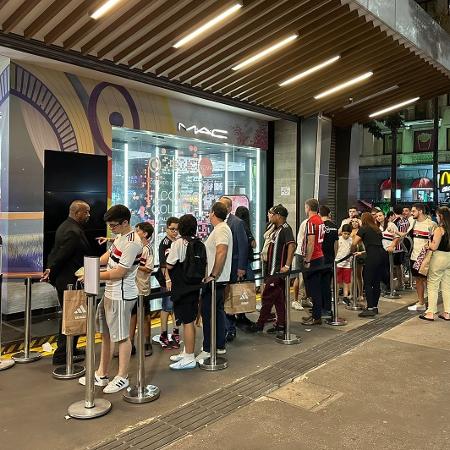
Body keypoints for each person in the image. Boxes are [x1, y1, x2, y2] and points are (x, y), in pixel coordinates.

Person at [79, 205, 143, 394]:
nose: (111, 228)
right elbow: (109, 256)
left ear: (125, 222)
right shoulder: (121, 236)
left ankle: (122, 376)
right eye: (109, 225)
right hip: (109, 293)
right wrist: (92, 266)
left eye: (114, 225)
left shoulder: (132, 242)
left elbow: (121, 272)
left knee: (122, 337)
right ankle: (102, 373)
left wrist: (94, 276)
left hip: (121, 295)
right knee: (106, 334)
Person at [42, 200, 91, 365]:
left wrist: (50, 270)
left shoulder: (66, 226)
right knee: (72, 317)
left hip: (66, 279)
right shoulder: (72, 231)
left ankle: (71, 349)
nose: (89, 215)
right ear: (77, 213)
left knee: (72, 316)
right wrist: (52, 272)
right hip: (70, 281)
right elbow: (61, 256)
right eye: (86, 212)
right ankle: (63, 354)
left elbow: (54, 252)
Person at [247, 205, 295, 333]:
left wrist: (287, 265)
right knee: (279, 298)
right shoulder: (275, 228)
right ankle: (281, 323)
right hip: (271, 269)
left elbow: (291, 245)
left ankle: (260, 324)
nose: (269, 216)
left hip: (278, 271)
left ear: (278, 215)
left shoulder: (285, 229)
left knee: (267, 296)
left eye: (272, 214)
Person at [166, 214, 206, 369]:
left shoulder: (178, 243)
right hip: (194, 286)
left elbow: (170, 265)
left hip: (182, 287)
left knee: (187, 322)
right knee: (189, 319)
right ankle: (186, 352)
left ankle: (189, 356)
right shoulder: (198, 243)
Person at [196, 202, 233, 363]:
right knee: (216, 313)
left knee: (208, 313)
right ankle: (218, 345)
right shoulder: (221, 229)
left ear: (213, 213)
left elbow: (221, 250)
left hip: (215, 281)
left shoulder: (222, 229)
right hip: (217, 280)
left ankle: (208, 348)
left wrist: (213, 274)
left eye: (209, 212)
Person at [218, 196, 249, 342]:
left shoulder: (237, 223)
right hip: (222, 268)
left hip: (233, 267)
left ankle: (230, 328)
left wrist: (241, 267)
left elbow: (243, 245)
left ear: (229, 208)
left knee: (230, 298)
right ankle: (224, 326)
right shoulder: (218, 223)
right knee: (223, 299)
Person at [419, 207, 450, 321]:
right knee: (447, 286)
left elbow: (434, 246)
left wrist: (428, 245)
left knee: (432, 285)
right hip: (449, 258)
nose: (436, 217)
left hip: (439, 258)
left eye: (437, 215)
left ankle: (430, 312)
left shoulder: (439, 229)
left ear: (441, 216)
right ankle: (448, 312)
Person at [352, 212, 385, 317]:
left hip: (371, 257)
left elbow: (354, 242)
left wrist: (352, 251)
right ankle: (374, 307)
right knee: (376, 282)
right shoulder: (377, 229)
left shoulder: (364, 228)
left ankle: (369, 307)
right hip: (381, 255)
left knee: (367, 281)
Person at [129, 222, 154, 357]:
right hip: (132, 287)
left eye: (138, 231)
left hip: (142, 288)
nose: (135, 233)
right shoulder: (134, 247)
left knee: (144, 317)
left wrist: (133, 265)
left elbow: (149, 268)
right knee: (132, 316)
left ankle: (146, 343)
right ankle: (130, 343)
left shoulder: (148, 249)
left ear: (145, 234)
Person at [156, 217, 180, 349]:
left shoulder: (177, 242)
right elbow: (163, 264)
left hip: (176, 279)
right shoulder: (164, 243)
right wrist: (167, 279)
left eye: (177, 229)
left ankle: (175, 332)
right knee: (166, 307)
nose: (175, 232)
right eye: (172, 229)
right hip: (166, 280)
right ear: (166, 229)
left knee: (175, 306)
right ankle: (163, 334)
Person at [407, 203, 437, 312]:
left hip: (426, 257)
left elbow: (436, 241)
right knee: (418, 280)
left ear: (420, 211)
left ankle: (432, 305)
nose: (411, 213)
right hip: (414, 256)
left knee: (428, 281)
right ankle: (421, 303)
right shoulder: (413, 223)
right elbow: (406, 235)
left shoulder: (431, 224)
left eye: (413, 211)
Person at [301, 199, 325, 326]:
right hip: (320, 256)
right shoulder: (320, 221)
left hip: (313, 258)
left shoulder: (311, 222)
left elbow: (310, 242)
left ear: (308, 208)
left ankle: (316, 317)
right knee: (317, 287)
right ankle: (316, 314)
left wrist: (307, 259)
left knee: (313, 288)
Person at [319, 205, 338, 316]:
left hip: (320, 259)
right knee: (327, 284)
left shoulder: (319, 225)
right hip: (330, 258)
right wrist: (335, 258)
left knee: (320, 285)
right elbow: (336, 244)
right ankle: (327, 308)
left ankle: (323, 308)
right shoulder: (334, 226)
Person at [375, 210, 399, 292]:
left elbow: (397, 236)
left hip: (389, 250)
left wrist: (392, 246)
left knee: (387, 269)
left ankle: (390, 287)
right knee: (380, 269)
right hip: (379, 250)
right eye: (377, 216)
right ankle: (384, 287)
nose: (379, 218)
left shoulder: (391, 224)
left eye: (380, 215)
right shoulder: (376, 226)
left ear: (384, 215)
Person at [292, 217, 309, 310]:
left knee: (307, 277)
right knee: (298, 276)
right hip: (301, 253)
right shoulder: (307, 222)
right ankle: (295, 300)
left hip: (306, 253)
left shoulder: (311, 222)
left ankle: (305, 298)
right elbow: (306, 240)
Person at [336, 224, 353, 304]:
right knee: (337, 281)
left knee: (346, 281)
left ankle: (345, 296)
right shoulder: (338, 240)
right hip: (338, 263)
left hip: (347, 264)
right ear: (342, 232)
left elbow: (352, 251)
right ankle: (336, 297)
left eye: (348, 234)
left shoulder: (351, 240)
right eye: (344, 233)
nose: (346, 235)